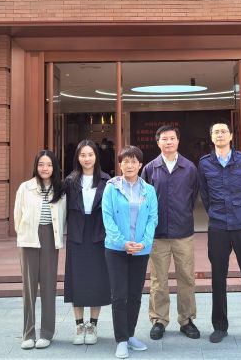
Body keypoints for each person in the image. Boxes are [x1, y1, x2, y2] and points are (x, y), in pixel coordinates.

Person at [197, 121, 241, 346]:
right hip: (218, 227)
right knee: (218, 278)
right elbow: (205, 194)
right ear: (211, 137)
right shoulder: (205, 163)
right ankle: (220, 326)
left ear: (230, 136)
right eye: (215, 132)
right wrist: (215, 212)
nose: (220, 135)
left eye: (223, 131)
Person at [141, 125, 200, 340]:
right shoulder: (150, 168)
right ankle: (159, 320)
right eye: (164, 139)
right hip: (158, 235)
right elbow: (144, 199)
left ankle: (187, 319)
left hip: (183, 233)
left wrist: (181, 214)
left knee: (187, 278)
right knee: (158, 280)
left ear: (178, 141)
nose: (168, 142)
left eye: (172, 138)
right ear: (158, 142)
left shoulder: (189, 167)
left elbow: (193, 196)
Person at [102, 146, 158, 359]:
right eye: (125, 161)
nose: (130, 165)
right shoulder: (111, 188)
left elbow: (153, 218)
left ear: (140, 164)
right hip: (116, 249)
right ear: (120, 164)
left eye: (134, 161)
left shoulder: (149, 190)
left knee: (135, 294)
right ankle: (121, 340)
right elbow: (107, 217)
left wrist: (144, 243)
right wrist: (122, 242)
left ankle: (130, 334)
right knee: (119, 295)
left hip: (141, 250)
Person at [13, 150, 67, 350]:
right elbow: (17, 216)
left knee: (48, 286)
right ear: (36, 166)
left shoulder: (60, 190)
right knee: (28, 288)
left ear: (55, 167)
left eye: (49, 165)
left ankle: (46, 333)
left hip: (50, 238)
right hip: (29, 238)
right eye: (41, 164)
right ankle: (28, 334)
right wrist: (25, 234)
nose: (45, 168)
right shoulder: (25, 188)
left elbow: (63, 217)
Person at [63, 139, 112, 345]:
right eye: (82, 155)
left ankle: (92, 325)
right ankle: (78, 325)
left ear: (96, 156)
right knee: (77, 279)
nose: (87, 158)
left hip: (99, 233)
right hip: (77, 233)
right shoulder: (69, 181)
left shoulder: (106, 180)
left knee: (97, 280)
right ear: (78, 157)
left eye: (90, 154)